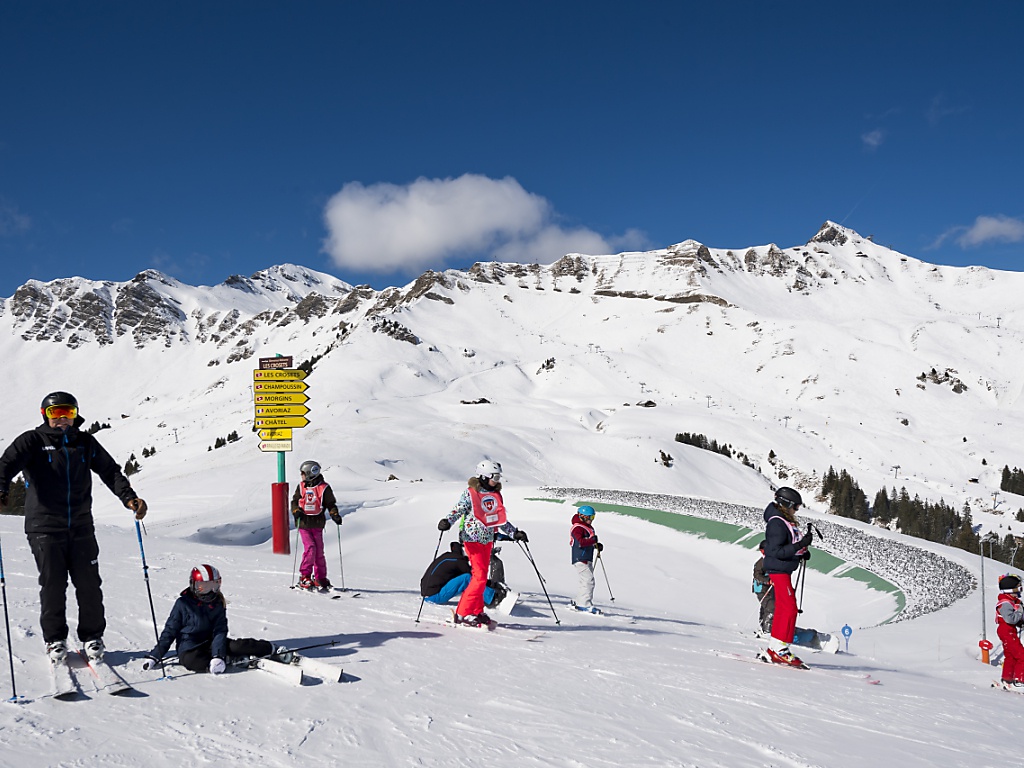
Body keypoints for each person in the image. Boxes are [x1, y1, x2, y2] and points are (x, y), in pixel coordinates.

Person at [0, 392, 148, 664]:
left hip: (81, 526)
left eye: (67, 412)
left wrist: (128, 496)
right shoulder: (32, 441)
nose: (63, 418)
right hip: (44, 527)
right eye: (56, 413)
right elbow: (6, 464)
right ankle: (55, 640)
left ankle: (92, 637)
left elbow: (110, 470)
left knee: (89, 584)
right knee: (53, 585)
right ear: (46, 415)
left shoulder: (85, 442)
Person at [437, 460, 526, 628]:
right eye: (495, 477)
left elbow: (499, 519)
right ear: (484, 476)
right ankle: (462, 613)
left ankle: (477, 611)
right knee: (478, 577)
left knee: (482, 578)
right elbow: (459, 509)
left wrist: (514, 532)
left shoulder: (495, 495)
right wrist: (447, 521)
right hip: (472, 540)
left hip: (487, 541)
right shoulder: (471, 493)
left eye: (499, 477)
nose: (497, 481)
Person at [146, 564, 278, 673]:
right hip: (190, 646)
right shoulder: (183, 603)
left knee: (239, 646)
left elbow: (220, 631)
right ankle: (226, 660)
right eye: (204, 587)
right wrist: (155, 656)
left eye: (213, 586)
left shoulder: (217, 603)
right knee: (192, 661)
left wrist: (217, 654)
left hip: (212, 642)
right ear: (194, 585)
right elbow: (170, 631)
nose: (209, 591)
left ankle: (270, 648)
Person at [761, 487, 813, 667]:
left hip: (782, 569)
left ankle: (775, 648)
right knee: (789, 609)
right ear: (787, 504)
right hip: (778, 570)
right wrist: (800, 545)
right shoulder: (777, 523)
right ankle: (780, 649)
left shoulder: (782, 521)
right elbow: (776, 551)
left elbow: (785, 548)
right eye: (795, 507)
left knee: (785, 608)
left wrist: (800, 553)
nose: (796, 511)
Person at [290, 460, 341, 591]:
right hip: (304, 523)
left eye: (303, 473)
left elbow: (330, 504)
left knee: (319, 551)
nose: (301, 476)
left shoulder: (324, 488)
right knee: (310, 548)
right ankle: (305, 576)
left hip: (317, 524)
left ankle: (320, 578)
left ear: (309, 474)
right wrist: (296, 511)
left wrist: (334, 514)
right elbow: (295, 501)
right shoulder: (301, 486)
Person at [420, 541, 496, 606]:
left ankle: (485, 596)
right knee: (467, 578)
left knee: (464, 579)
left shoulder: (450, 557)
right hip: (434, 596)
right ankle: (493, 598)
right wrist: (489, 583)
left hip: (428, 593)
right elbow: (474, 577)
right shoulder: (459, 560)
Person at [569, 505, 604, 614]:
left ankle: (580, 601)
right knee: (588, 581)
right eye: (589, 517)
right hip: (580, 557)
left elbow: (586, 541)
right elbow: (580, 542)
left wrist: (596, 545)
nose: (591, 520)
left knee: (585, 581)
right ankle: (584, 604)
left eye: (593, 517)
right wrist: (592, 541)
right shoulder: (578, 528)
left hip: (586, 557)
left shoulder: (585, 527)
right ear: (582, 516)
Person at [995, 573, 1024, 689]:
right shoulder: (1005, 603)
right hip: (1006, 630)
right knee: (1021, 655)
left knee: (1010, 655)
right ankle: (1020, 680)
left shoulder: (1011, 601)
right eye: (1019, 587)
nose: (1020, 590)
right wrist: (1020, 612)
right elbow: (1010, 618)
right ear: (1010, 589)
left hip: (1008, 630)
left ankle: (1007, 678)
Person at [752, 541, 774, 635]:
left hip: (770, 588)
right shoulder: (761, 562)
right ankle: (767, 631)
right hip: (761, 588)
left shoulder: (771, 560)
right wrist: (768, 580)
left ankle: (763, 626)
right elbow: (757, 575)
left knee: (766, 607)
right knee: (772, 607)